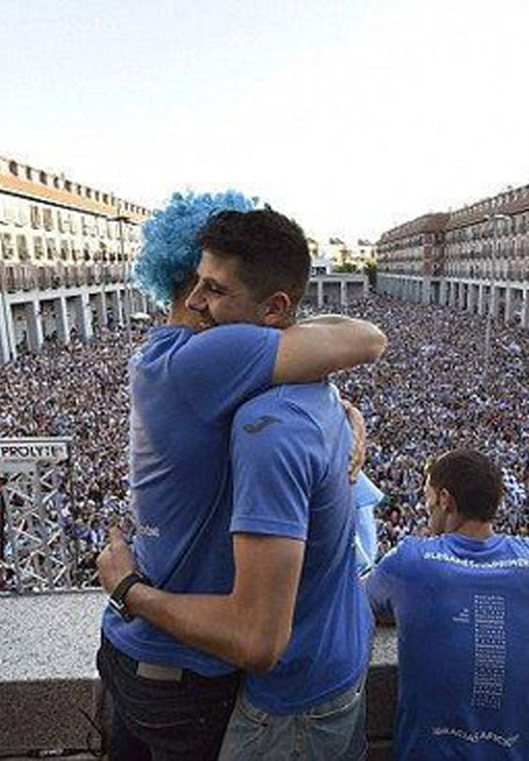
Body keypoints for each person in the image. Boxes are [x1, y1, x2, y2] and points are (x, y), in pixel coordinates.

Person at [96, 198, 385, 761]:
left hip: (146, 658)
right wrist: (128, 589)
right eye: (197, 285)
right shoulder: (209, 362)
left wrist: (340, 405)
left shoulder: (174, 361)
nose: (197, 302)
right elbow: (365, 339)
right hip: (181, 672)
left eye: (214, 289)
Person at [364, 449, 529, 760]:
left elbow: (358, 603)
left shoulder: (410, 560)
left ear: (445, 500)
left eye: (426, 495)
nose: (424, 506)